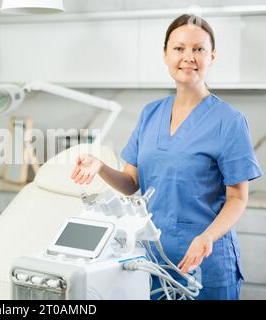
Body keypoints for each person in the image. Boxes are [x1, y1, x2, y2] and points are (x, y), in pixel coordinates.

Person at [70, 14, 263, 300]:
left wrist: (207, 237)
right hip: (153, 262)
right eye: (179, 48)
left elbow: (237, 198)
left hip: (205, 262)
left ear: (212, 56)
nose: (189, 57)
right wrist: (100, 167)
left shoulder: (229, 121)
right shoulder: (150, 114)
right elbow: (130, 182)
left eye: (198, 49)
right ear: (165, 54)